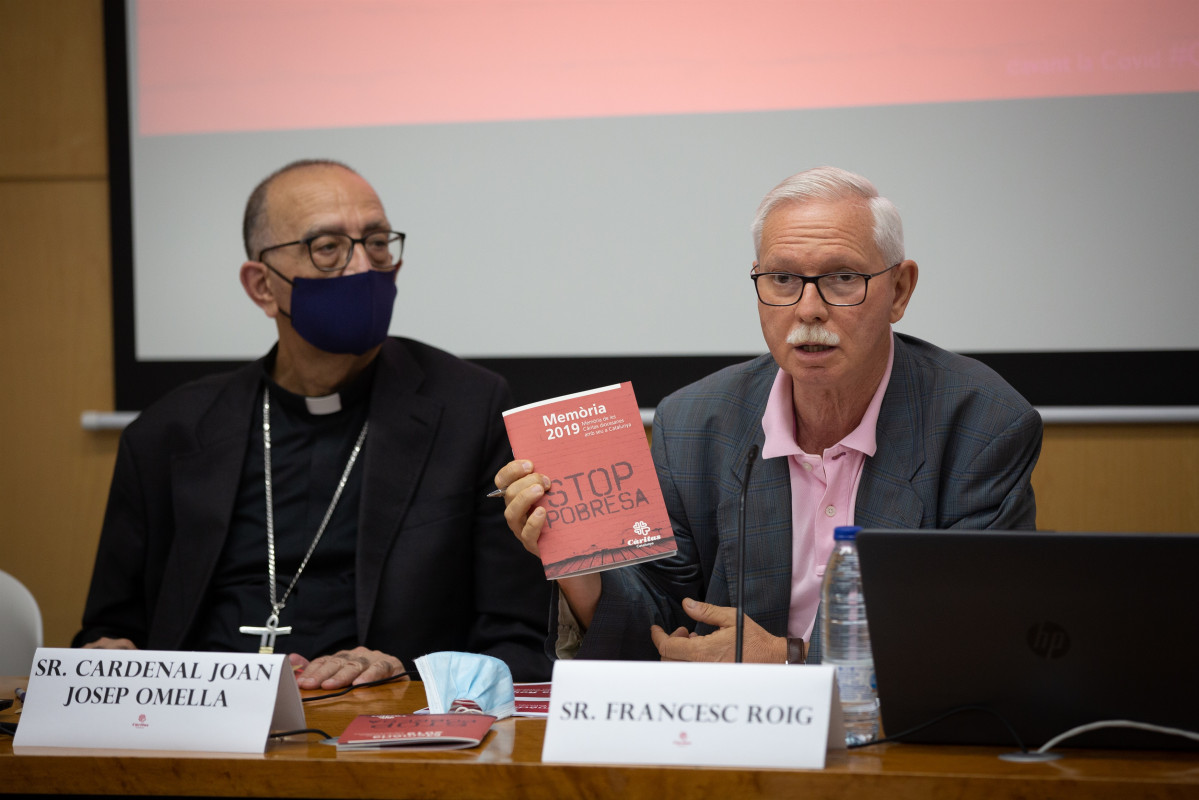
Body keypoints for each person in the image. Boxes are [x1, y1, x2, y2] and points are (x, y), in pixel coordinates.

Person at [495, 166, 1042, 665]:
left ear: (899, 290)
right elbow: (662, 624)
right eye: (782, 279)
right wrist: (583, 568)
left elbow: (971, 634)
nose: (808, 310)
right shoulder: (694, 423)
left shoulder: (982, 425)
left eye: (843, 278)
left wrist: (788, 660)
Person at [75, 159, 553, 688]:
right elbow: (109, 635)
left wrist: (406, 673)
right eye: (328, 248)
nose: (363, 268)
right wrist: (106, 657)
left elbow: (521, 642)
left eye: (376, 242)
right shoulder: (168, 432)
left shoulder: (469, 409)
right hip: (198, 729)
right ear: (262, 286)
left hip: (377, 733)